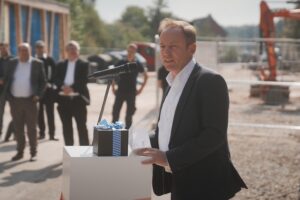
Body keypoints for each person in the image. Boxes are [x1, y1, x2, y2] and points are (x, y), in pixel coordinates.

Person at [136, 18, 247, 199]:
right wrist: (136, 139)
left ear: (192, 48)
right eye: (162, 47)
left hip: (204, 185)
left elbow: (213, 135)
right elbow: (167, 129)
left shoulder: (210, 81)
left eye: (173, 46)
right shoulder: (171, 82)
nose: (165, 53)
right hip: (179, 182)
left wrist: (167, 158)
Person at [3, 43, 46, 161]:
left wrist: (37, 95)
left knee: (32, 128)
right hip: (15, 101)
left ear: (30, 51)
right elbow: (7, 79)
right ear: (18, 52)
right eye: (21, 50)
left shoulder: (37, 63)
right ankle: (20, 152)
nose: (24, 52)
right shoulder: (12, 63)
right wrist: (8, 96)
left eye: (26, 50)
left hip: (30, 101)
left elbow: (43, 82)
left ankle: (33, 152)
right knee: (18, 128)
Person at [55, 40, 90, 146]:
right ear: (66, 51)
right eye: (70, 49)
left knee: (81, 127)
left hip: (79, 100)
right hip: (63, 101)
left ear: (78, 51)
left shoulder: (84, 64)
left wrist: (72, 88)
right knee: (66, 128)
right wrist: (62, 87)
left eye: (75, 49)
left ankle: (84, 152)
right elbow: (55, 78)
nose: (73, 51)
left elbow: (84, 80)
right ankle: (69, 152)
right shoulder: (60, 64)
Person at [112, 43, 148, 129]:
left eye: (132, 51)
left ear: (135, 52)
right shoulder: (121, 62)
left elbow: (146, 76)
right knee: (115, 112)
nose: (130, 53)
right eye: (129, 51)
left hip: (131, 92)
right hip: (120, 91)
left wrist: (141, 89)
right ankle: (114, 134)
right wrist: (113, 87)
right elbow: (113, 73)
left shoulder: (137, 64)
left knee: (129, 115)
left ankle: (127, 135)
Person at [34, 40, 58, 141]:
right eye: (38, 47)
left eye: (41, 47)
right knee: (39, 114)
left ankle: (52, 135)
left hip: (49, 91)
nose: (40, 49)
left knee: (50, 113)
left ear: (44, 48)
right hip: (38, 91)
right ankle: (42, 133)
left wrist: (51, 84)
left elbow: (56, 73)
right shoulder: (33, 60)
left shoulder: (49, 59)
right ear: (36, 49)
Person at [0, 42, 14, 141]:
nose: (3, 50)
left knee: (16, 113)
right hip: (1, 91)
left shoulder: (14, 60)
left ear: (8, 48)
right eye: (1, 49)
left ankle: (13, 133)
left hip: (13, 90)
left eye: (4, 48)